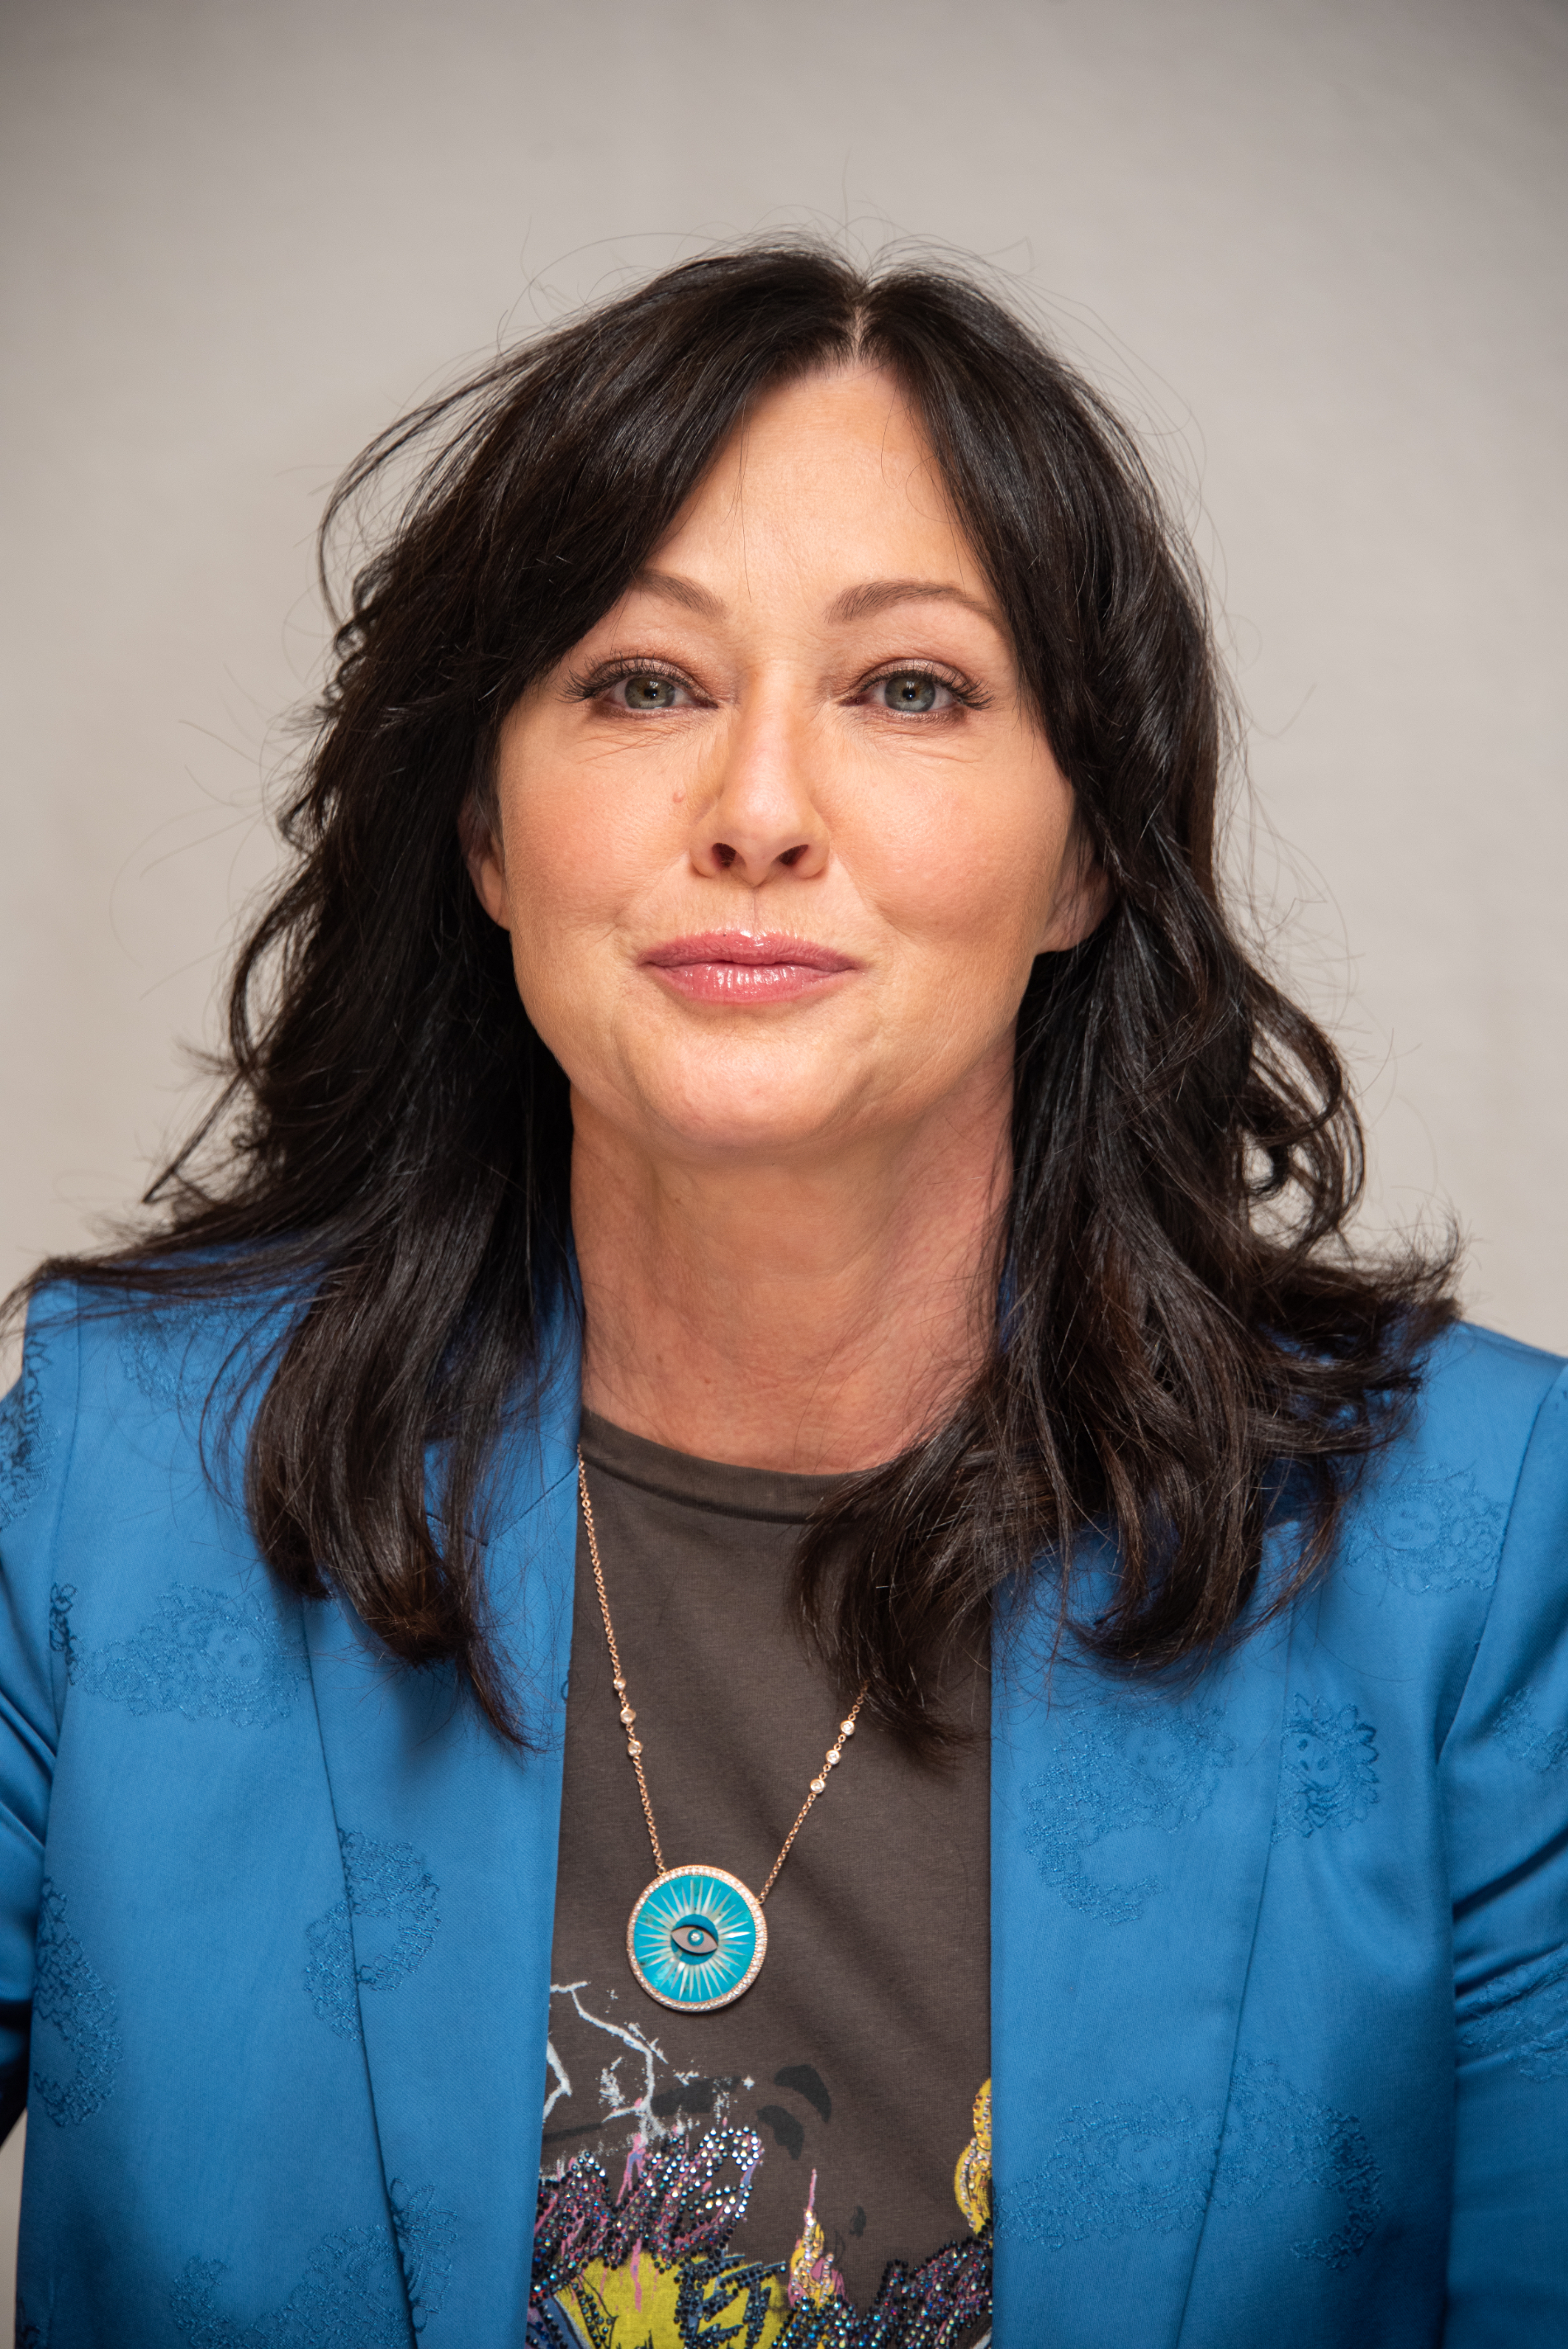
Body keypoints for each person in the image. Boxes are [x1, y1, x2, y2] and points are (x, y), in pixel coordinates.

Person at [1, 243, 1563, 2349]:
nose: (754, 812)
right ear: (482, 823)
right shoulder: (109, 1476)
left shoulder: (1469, 1547)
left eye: (907, 689)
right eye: (641, 684)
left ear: (1087, 850)